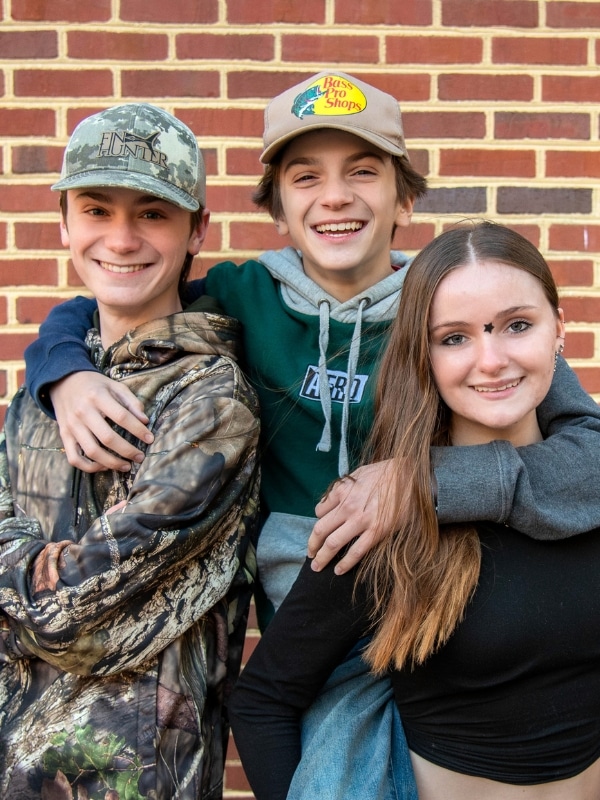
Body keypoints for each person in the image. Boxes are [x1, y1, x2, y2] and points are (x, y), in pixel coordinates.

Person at [20, 74, 600, 799]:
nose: (335, 196)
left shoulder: (449, 303)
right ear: (277, 206)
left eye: (363, 171)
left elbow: (586, 445)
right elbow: (119, 296)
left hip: (439, 586)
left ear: (404, 195)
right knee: (336, 763)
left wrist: (418, 482)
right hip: (319, 612)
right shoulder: (245, 294)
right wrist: (59, 367)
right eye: (306, 177)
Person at [229, 221, 600, 800]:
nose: (492, 359)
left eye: (518, 325)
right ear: (421, 355)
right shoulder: (381, 517)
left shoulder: (590, 489)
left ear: (559, 331)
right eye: (453, 338)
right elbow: (262, 700)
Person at [0, 103, 260, 800]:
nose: (120, 239)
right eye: (96, 209)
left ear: (196, 228)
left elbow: (74, 617)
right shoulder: (45, 388)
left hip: (131, 777)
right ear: (63, 222)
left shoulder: (210, 400)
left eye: (151, 213)